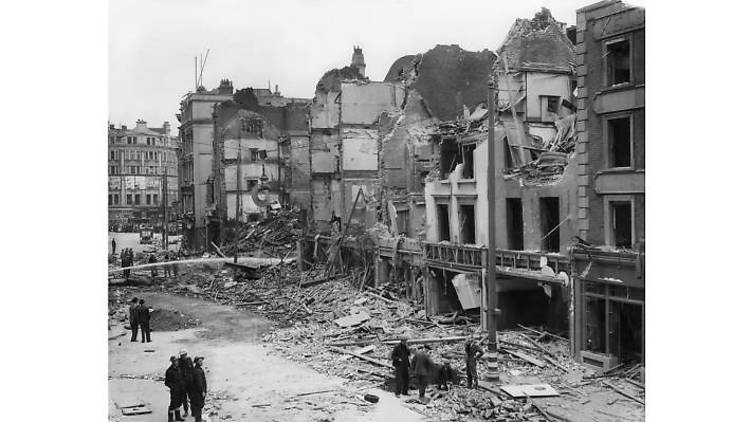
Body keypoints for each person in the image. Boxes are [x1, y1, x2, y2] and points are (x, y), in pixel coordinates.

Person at [165, 356, 186, 421]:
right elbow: (167, 382)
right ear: (173, 362)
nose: (177, 362)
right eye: (175, 361)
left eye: (177, 361)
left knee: (179, 403)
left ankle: (177, 417)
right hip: (174, 390)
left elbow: (182, 378)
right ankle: (170, 418)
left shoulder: (179, 369)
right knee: (173, 403)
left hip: (181, 389)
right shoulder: (169, 371)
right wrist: (173, 387)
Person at [189, 356, 207, 422]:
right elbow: (199, 383)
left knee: (198, 407)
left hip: (195, 393)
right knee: (198, 407)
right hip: (198, 393)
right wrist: (202, 391)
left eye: (202, 361)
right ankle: (198, 420)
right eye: (200, 361)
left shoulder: (196, 369)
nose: (201, 362)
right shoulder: (198, 371)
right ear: (196, 362)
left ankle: (198, 419)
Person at [178, 349, 194, 416]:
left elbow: (192, 369)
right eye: (182, 356)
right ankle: (186, 411)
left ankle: (193, 411)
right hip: (183, 383)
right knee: (184, 399)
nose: (183, 357)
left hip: (190, 382)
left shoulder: (189, 360)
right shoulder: (179, 362)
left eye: (184, 355)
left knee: (192, 398)